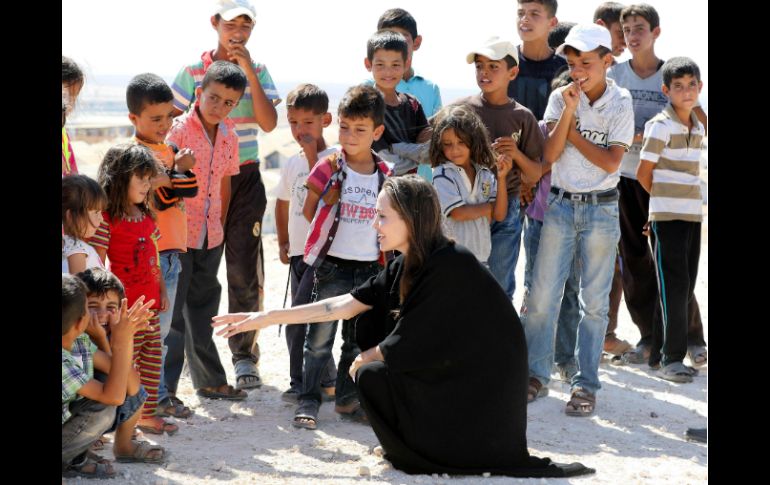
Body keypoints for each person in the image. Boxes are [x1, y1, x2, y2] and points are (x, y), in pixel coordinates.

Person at [212, 175, 592, 479]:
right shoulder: (404, 263)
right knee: (372, 368)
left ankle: (420, 453)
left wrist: (369, 354)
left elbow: (421, 337)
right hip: (453, 384)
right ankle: (414, 447)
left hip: (480, 404)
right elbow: (341, 305)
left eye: (382, 216)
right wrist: (263, 318)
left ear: (411, 219)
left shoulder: (450, 264)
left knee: (370, 370)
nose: (373, 223)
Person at [522, 24, 634, 416]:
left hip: (602, 208)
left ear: (608, 61)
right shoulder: (560, 97)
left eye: (586, 62)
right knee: (540, 297)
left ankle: (586, 385)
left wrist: (572, 135)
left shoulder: (621, 102)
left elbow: (610, 161)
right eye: (572, 63)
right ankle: (536, 375)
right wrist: (569, 110)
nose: (578, 70)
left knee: (595, 304)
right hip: (559, 206)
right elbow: (550, 156)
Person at [171, 0, 281, 390]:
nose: (238, 32)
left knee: (243, 268)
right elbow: (172, 128)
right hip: (197, 183)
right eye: (230, 23)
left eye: (246, 26)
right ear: (214, 23)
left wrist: (247, 68)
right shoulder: (192, 73)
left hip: (245, 177)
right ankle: (190, 354)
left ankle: (243, 355)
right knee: (192, 272)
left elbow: (269, 123)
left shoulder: (260, 71)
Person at [608, 4, 707, 367]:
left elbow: (698, 118)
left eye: (640, 28)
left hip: (663, 183)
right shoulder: (615, 74)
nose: (634, 35)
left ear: (655, 32)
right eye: (628, 29)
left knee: (673, 263)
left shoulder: (672, 74)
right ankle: (649, 337)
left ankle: (693, 338)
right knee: (634, 260)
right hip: (623, 176)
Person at [291, 84, 391, 429]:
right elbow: (308, 209)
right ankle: (308, 399)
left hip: (368, 269)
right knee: (318, 339)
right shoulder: (328, 166)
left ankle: (348, 401)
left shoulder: (386, 174)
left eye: (360, 129)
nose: (349, 135)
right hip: (332, 266)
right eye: (344, 127)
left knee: (356, 339)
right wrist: (328, 202)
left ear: (377, 132)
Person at [165, 61, 249, 401]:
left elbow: (225, 183)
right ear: (199, 93)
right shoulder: (178, 130)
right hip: (178, 235)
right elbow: (163, 172)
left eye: (228, 102)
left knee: (203, 309)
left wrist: (221, 226)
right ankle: (164, 391)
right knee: (172, 316)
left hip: (211, 234)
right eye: (213, 98)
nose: (219, 107)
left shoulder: (230, 135)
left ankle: (209, 380)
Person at [90, 144, 176, 435]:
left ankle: (146, 414)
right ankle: (122, 421)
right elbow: (97, 268)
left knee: (152, 361)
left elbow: (155, 257)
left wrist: (163, 291)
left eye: (149, 178)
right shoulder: (107, 221)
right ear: (120, 179)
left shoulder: (147, 216)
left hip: (150, 305)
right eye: (140, 178)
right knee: (126, 365)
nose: (147, 185)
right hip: (126, 314)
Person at [127, 72, 197, 419]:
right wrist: (177, 171)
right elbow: (164, 197)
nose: (165, 124)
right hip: (147, 255)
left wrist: (176, 171)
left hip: (171, 251)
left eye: (169, 116)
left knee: (163, 330)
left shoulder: (168, 150)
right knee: (150, 332)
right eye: (156, 118)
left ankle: (157, 396)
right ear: (133, 118)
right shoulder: (133, 154)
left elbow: (191, 188)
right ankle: (146, 402)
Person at [456, 36, 544, 298]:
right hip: (467, 207)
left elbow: (535, 173)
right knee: (464, 279)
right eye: (479, 66)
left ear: (513, 72)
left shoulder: (523, 116)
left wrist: (515, 153)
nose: (484, 72)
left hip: (508, 208)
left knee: (499, 283)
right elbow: (429, 137)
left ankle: (499, 337)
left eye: (493, 66)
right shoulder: (461, 110)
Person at [636, 57, 705, 382]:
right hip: (667, 218)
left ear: (700, 88)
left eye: (692, 84)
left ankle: (661, 355)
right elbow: (643, 173)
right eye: (678, 86)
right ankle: (672, 360)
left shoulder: (698, 125)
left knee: (683, 286)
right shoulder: (660, 126)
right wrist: (658, 208)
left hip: (692, 216)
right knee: (673, 288)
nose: (686, 91)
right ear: (666, 90)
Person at [62, 274, 160, 479]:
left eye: (111, 307)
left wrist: (113, 339)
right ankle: (72, 459)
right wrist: (121, 342)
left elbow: (131, 385)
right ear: (81, 320)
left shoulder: (80, 341)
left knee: (118, 384)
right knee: (104, 407)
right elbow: (114, 397)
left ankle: (93, 450)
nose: (101, 314)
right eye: (92, 306)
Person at [275, 83, 338, 403]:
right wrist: (283, 242)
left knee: (299, 318)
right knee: (310, 316)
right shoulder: (291, 163)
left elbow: (329, 199)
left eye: (308, 123)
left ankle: (301, 382)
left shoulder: (335, 159)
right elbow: (282, 202)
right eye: (294, 123)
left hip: (323, 255)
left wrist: (314, 154)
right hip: (299, 253)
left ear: (325, 120)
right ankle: (328, 379)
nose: (300, 130)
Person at [430, 105, 512, 264]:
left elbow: (500, 215)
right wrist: (489, 208)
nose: (455, 149)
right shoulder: (443, 174)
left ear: (473, 140)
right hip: (450, 259)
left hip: (480, 258)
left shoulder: (485, 174)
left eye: (461, 142)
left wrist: (502, 178)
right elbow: (458, 213)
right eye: (448, 144)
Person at [366, 30, 431, 176]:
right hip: (378, 189)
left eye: (395, 65)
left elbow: (428, 150)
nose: (388, 72)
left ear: (406, 64)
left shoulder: (413, 104)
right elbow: (387, 163)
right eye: (380, 64)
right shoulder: (367, 107)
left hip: (412, 187)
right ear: (368, 64)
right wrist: (416, 157)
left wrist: (398, 148)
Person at [509, 0, 566, 121]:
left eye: (534, 14)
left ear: (552, 22)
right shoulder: (505, 63)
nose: (524, 19)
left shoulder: (564, 68)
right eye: (520, 13)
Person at [62, 175, 107, 274]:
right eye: (96, 212)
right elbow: (78, 286)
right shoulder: (75, 247)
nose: (101, 218)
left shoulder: (74, 245)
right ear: (71, 216)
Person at [62, 56, 84, 177]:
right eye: (64, 96)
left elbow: (72, 176)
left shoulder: (64, 136)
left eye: (73, 98)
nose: (69, 104)